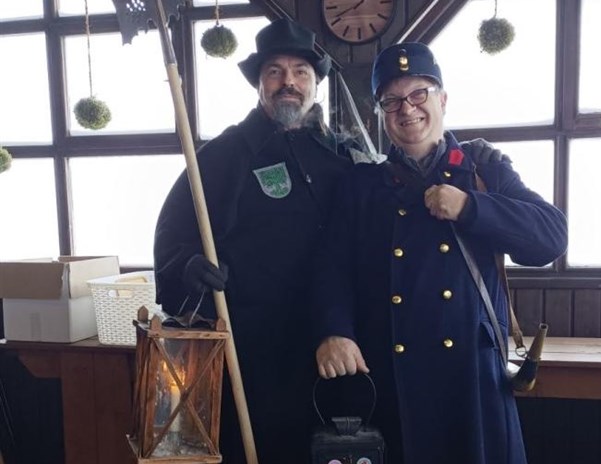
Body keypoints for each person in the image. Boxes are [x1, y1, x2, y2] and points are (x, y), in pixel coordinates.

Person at [312, 42, 568, 464]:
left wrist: (471, 208)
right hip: (391, 376)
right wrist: (334, 330)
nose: (407, 109)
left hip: (471, 379)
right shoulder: (362, 185)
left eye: (419, 94)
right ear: (381, 113)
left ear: (443, 100)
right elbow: (332, 268)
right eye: (392, 100)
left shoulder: (483, 171)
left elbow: (551, 239)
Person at [153, 18, 359, 464]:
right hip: (253, 356)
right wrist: (189, 267)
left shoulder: (340, 157)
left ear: (315, 83)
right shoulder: (222, 156)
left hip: (332, 349)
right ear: (260, 84)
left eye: (301, 71)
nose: (289, 82)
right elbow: (173, 238)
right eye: (275, 71)